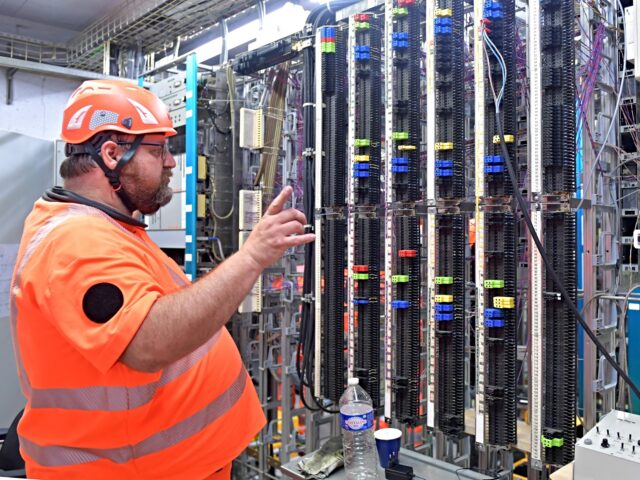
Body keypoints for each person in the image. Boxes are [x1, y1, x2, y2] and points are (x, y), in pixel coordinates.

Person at [9, 79, 314, 479]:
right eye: (159, 150)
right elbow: (148, 342)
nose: (171, 162)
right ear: (112, 154)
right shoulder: (75, 242)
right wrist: (253, 256)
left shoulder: (110, 229)